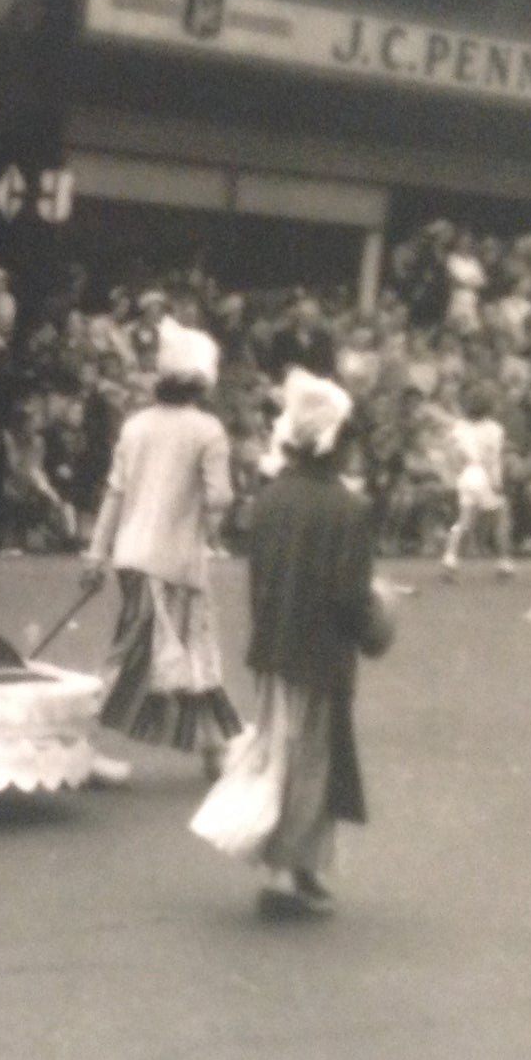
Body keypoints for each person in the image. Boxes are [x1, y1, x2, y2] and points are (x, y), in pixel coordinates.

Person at [239, 371, 389, 915]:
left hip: (274, 646)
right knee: (311, 760)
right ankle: (284, 873)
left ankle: (299, 866)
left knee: (282, 749)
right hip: (320, 654)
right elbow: (350, 600)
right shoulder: (348, 511)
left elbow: (260, 579)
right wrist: (375, 628)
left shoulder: (272, 498)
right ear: (335, 444)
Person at [81, 317, 241, 786]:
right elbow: (220, 497)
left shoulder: (135, 426)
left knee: (183, 655)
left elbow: (114, 494)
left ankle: (215, 750)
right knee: (139, 659)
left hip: (132, 557)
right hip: (176, 563)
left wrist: (95, 554)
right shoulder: (208, 430)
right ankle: (78, 747)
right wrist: (212, 520)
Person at [441, 384, 516, 581]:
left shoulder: (459, 427)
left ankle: (450, 559)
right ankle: (504, 562)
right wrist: (496, 482)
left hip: (467, 474)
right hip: (484, 474)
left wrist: (458, 471)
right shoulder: (494, 429)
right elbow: (493, 459)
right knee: (501, 517)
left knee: (465, 519)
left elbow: (453, 452)